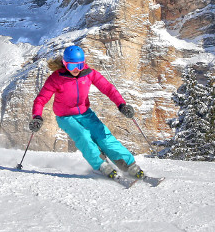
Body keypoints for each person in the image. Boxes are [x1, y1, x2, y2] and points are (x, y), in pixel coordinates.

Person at [29, 44, 143, 179]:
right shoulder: (56, 78)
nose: (76, 69)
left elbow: (108, 88)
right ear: (64, 64)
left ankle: (129, 165)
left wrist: (121, 105)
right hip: (65, 117)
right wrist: (37, 116)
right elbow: (41, 98)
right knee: (83, 136)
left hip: (85, 113)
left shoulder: (89, 74)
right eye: (71, 66)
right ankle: (101, 165)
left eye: (79, 65)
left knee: (104, 137)